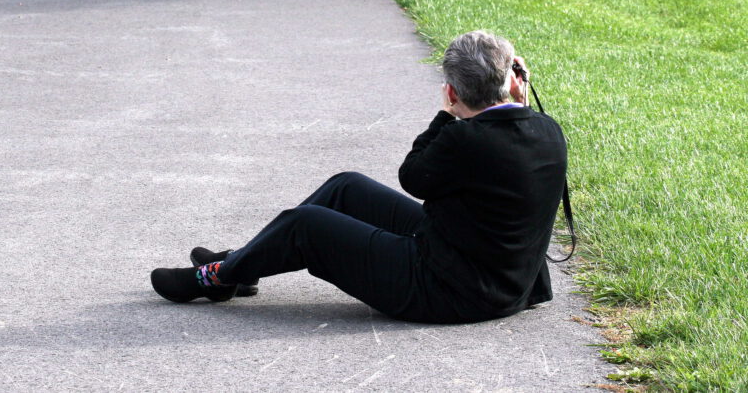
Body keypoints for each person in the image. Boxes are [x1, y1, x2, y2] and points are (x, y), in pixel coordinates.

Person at [149, 31, 568, 323]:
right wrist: (516, 97)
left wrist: (444, 115)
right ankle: (244, 264)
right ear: (512, 78)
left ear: (454, 92)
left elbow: (414, 177)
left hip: (450, 291)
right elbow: (510, 129)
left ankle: (217, 277)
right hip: (496, 276)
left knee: (306, 225)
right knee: (346, 186)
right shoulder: (547, 131)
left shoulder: (465, 139)